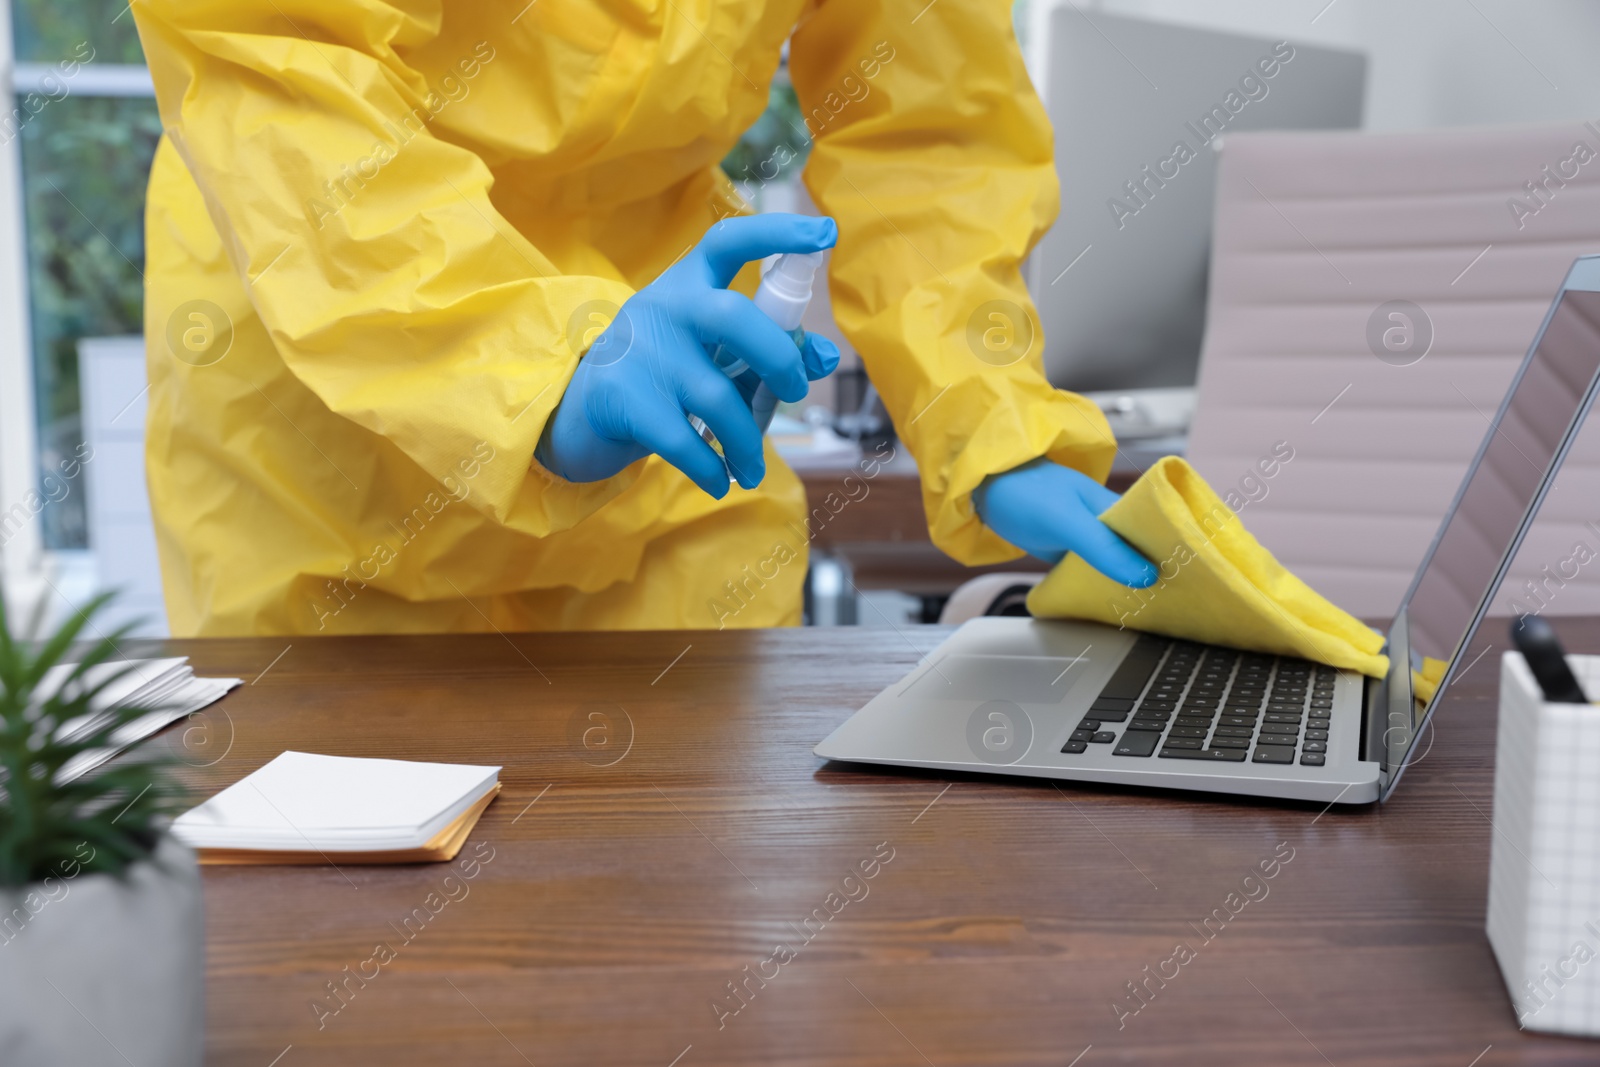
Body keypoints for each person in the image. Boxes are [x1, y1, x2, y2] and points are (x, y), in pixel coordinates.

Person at [132, 0, 1155, 636]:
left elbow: (931, 131)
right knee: (332, 915)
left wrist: (989, 415)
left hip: (670, 424)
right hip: (330, 387)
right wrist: (531, 365)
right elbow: (284, 67)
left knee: (686, 892)